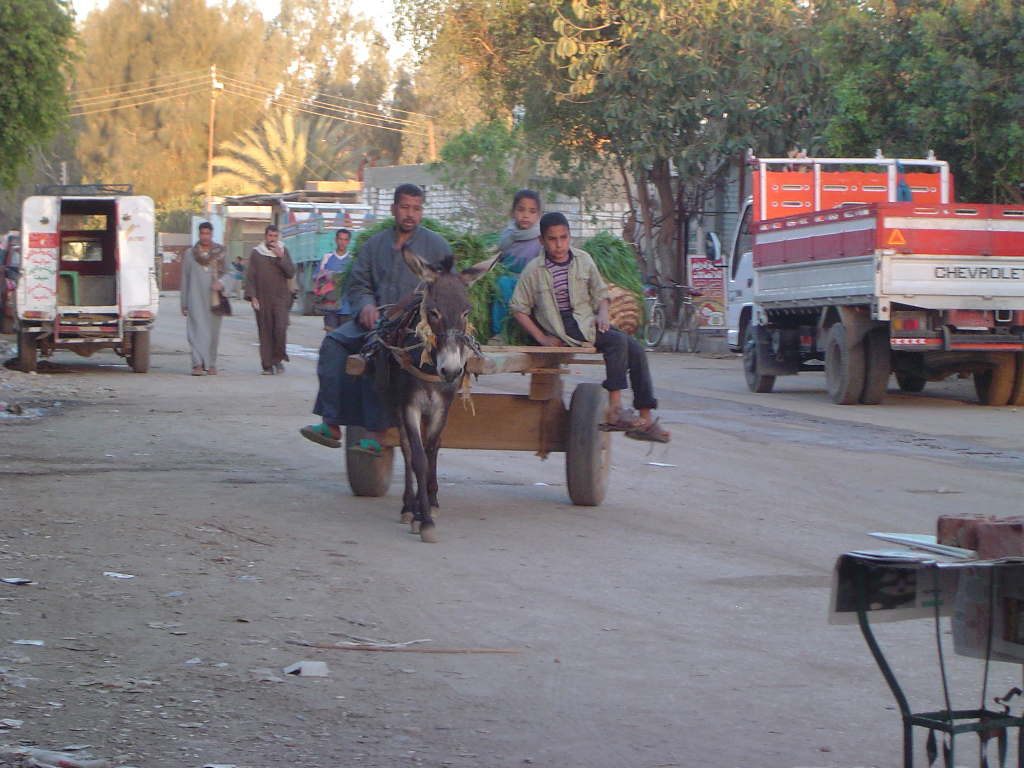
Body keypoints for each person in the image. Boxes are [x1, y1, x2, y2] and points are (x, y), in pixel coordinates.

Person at [300, 183, 452, 454]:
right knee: (333, 344)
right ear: (393, 209)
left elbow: (449, 288)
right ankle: (331, 423)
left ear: (422, 211)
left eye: (416, 209)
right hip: (372, 320)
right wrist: (366, 306)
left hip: (414, 328)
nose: (410, 214)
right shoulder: (374, 245)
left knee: (381, 351)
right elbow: (358, 283)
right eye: (405, 207)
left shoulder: (436, 246)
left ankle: (377, 432)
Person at [509, 211, 670, 443]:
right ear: (542, 241)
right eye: (552, 239)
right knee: (617, 342)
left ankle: (645, 417)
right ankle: (615, 409)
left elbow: (600, 294)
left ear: (570, 236)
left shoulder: (583, 260)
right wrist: (542, 338)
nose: (559, 244)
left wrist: (603, 315)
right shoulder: (534, 270)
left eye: (563, 238)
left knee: (636, 349)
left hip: (586, 320)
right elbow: (518, 308)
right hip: (562, 325)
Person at [180, 222, 232, 376]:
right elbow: (185, 278)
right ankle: (197, 364)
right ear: (199, 234)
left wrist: (221, 282)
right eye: (202, 233)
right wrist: (184, 303)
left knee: (212, 332)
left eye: (207, 233)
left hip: (214, 300)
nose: (205, 236)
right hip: (194, 299)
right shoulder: (190, 254)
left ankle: (211, 363)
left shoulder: (220, 253)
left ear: (212, 234)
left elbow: (232, 272)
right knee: (195, 331)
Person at [244, 224, 295, 375]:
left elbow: (290, 272)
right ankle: (267, 365)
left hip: (280, 297)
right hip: (262, 298)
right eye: (270, 236)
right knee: (265, 331)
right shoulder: (256, 253)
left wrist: (281, 256)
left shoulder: (283, 251)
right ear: (265, 237)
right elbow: (251, 275)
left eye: (275, 236)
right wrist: (252, 296)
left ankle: (278, 359)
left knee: (280, 328)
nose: (272, 239)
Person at [492, 190, 543, 336]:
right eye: (521, 210)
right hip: (511, 281)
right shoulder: (508, 236)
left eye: (531, 211)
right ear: (512, 213)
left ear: (538, 215)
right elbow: (500, 255)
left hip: (532, 282)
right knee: (502, 284)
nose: (526, 215)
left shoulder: (541, 237)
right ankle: (500, 332)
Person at [315, 228, 352, 332]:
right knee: (331, 335)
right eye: (340, 239)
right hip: (330, 305)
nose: (342, 242)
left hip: (347, 307)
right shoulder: (327, 257)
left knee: (345, 337)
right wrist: (331, 276)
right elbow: (316, 276)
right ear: (336, 240)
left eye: (345, 240)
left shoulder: (352, 259)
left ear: (348, 242)